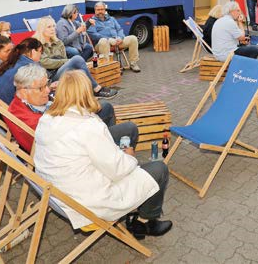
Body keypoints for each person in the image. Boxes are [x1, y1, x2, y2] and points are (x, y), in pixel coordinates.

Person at [33, 70, 172, 238]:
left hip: (61, 192)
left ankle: (138, 200)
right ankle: (144, 223)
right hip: (89, 203)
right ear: (86, 92)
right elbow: (118, 170)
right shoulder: (88, 127)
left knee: (129, 130)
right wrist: (129, 157)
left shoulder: (46, 118)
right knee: (159, 169)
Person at [5, 64, 135, 153]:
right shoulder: (32, 120)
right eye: (41, 88)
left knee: (105, 107)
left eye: (47, 85)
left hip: (73, 135)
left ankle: (109, 145)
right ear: (24, 91)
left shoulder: (21, 103)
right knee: (130, 128)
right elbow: (66, 130)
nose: (47, 90)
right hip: (75, 146)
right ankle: (111, 149)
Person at [34, 17, 117, 99]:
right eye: (49, 27)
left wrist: (67, 63)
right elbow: (44, 62)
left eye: (53, 26)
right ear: (42, 29)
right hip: (51, 77)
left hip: (61, 70)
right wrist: (67, 62)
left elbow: (64, 59)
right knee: (77, 58)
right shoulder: (37, 44)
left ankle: (88, 96)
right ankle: (97, 89)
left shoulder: (58, 42)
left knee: (80, 71)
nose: (53, 29)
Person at [87, 2, 141, 72]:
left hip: (116, 41)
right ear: (95, 10)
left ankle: (133, 63)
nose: (100, 11)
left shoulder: (111, 19)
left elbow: (119, 29)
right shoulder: (92, 21)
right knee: (103, 41)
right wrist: (109, 39)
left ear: (105, 10)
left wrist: (120, 38)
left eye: (102, 9)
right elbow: (94, 35)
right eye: (98, 10)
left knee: (133, 38)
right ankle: (108, 66)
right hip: (101, 45)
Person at [0, 38, 43, 104]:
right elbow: (34, 96)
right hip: (2, 108)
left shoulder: (13, 61)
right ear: (33, 51)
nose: (41, 55)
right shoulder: (31, 67)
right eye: (40, 52)